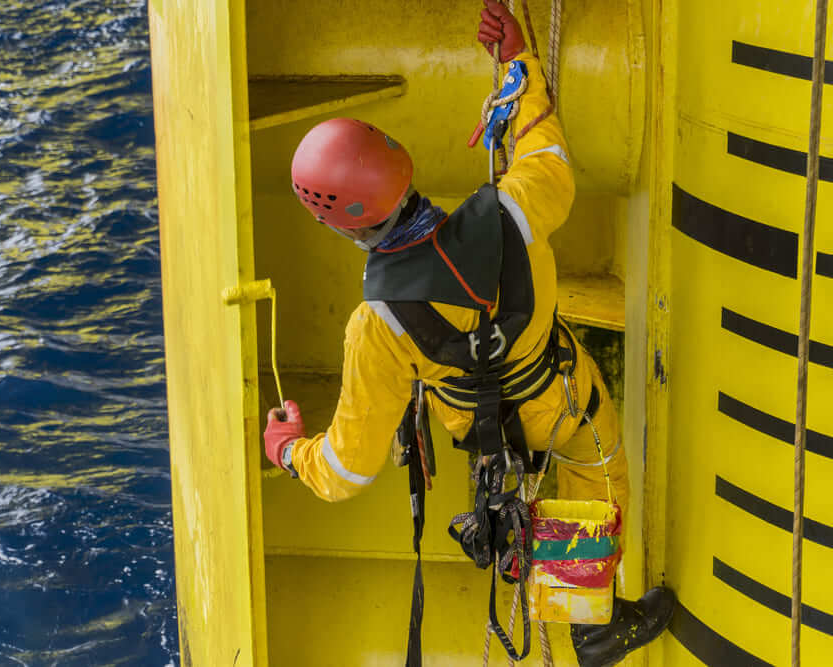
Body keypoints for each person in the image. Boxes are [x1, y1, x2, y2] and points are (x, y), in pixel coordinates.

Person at [263, 1, 675, 665]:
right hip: (566, 403)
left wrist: (288, 450)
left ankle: (585, 626)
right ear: (402, 163)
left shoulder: (379, 325)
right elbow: (545, 143)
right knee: (595, 469)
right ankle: (589, 627)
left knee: (572, 459)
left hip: (489, 439)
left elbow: (345, 467)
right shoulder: (513, 206)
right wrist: (519, 58)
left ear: (338, 225)